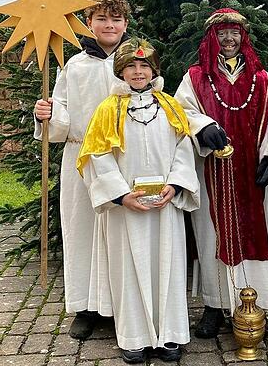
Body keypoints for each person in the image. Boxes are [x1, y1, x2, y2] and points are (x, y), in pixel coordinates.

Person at [77, 38, 198, 364]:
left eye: (144, 65)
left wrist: (175, 185)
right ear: (121, 71)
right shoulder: (108, 110)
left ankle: (170, 334)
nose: (138, 71)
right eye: (131, 65)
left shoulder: (170, 106)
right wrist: (120, 195)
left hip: (163, 205)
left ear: (154, 70)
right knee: (129, 268)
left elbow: (183, 150)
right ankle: (133, 336)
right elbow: (97, 156)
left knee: (168, 267)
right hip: (126, 210)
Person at [33, 0, 130, 339]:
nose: (109, 25)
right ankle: (86, 308)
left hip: (123, 159)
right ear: (88, 23)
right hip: (81, 159)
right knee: (82, 230)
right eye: (101, 18)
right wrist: (46, 114)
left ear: (125, 24)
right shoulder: (74, 66)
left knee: (120, 233)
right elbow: (59, 119)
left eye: (115, 19)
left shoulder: (134, 63)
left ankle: (122, 305)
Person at [174, 8, 268, 337]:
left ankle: (255, 302)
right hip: (212, 170)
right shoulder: (195, 77)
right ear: (211, 38)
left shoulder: (262, 80)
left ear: (243, 37)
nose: (229, 39)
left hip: (251, 173)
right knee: (210, 234)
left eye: (234, 32)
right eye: (222, 33)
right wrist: (201, 127)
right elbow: (180, 112)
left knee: (253, 233)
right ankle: (214, 305)